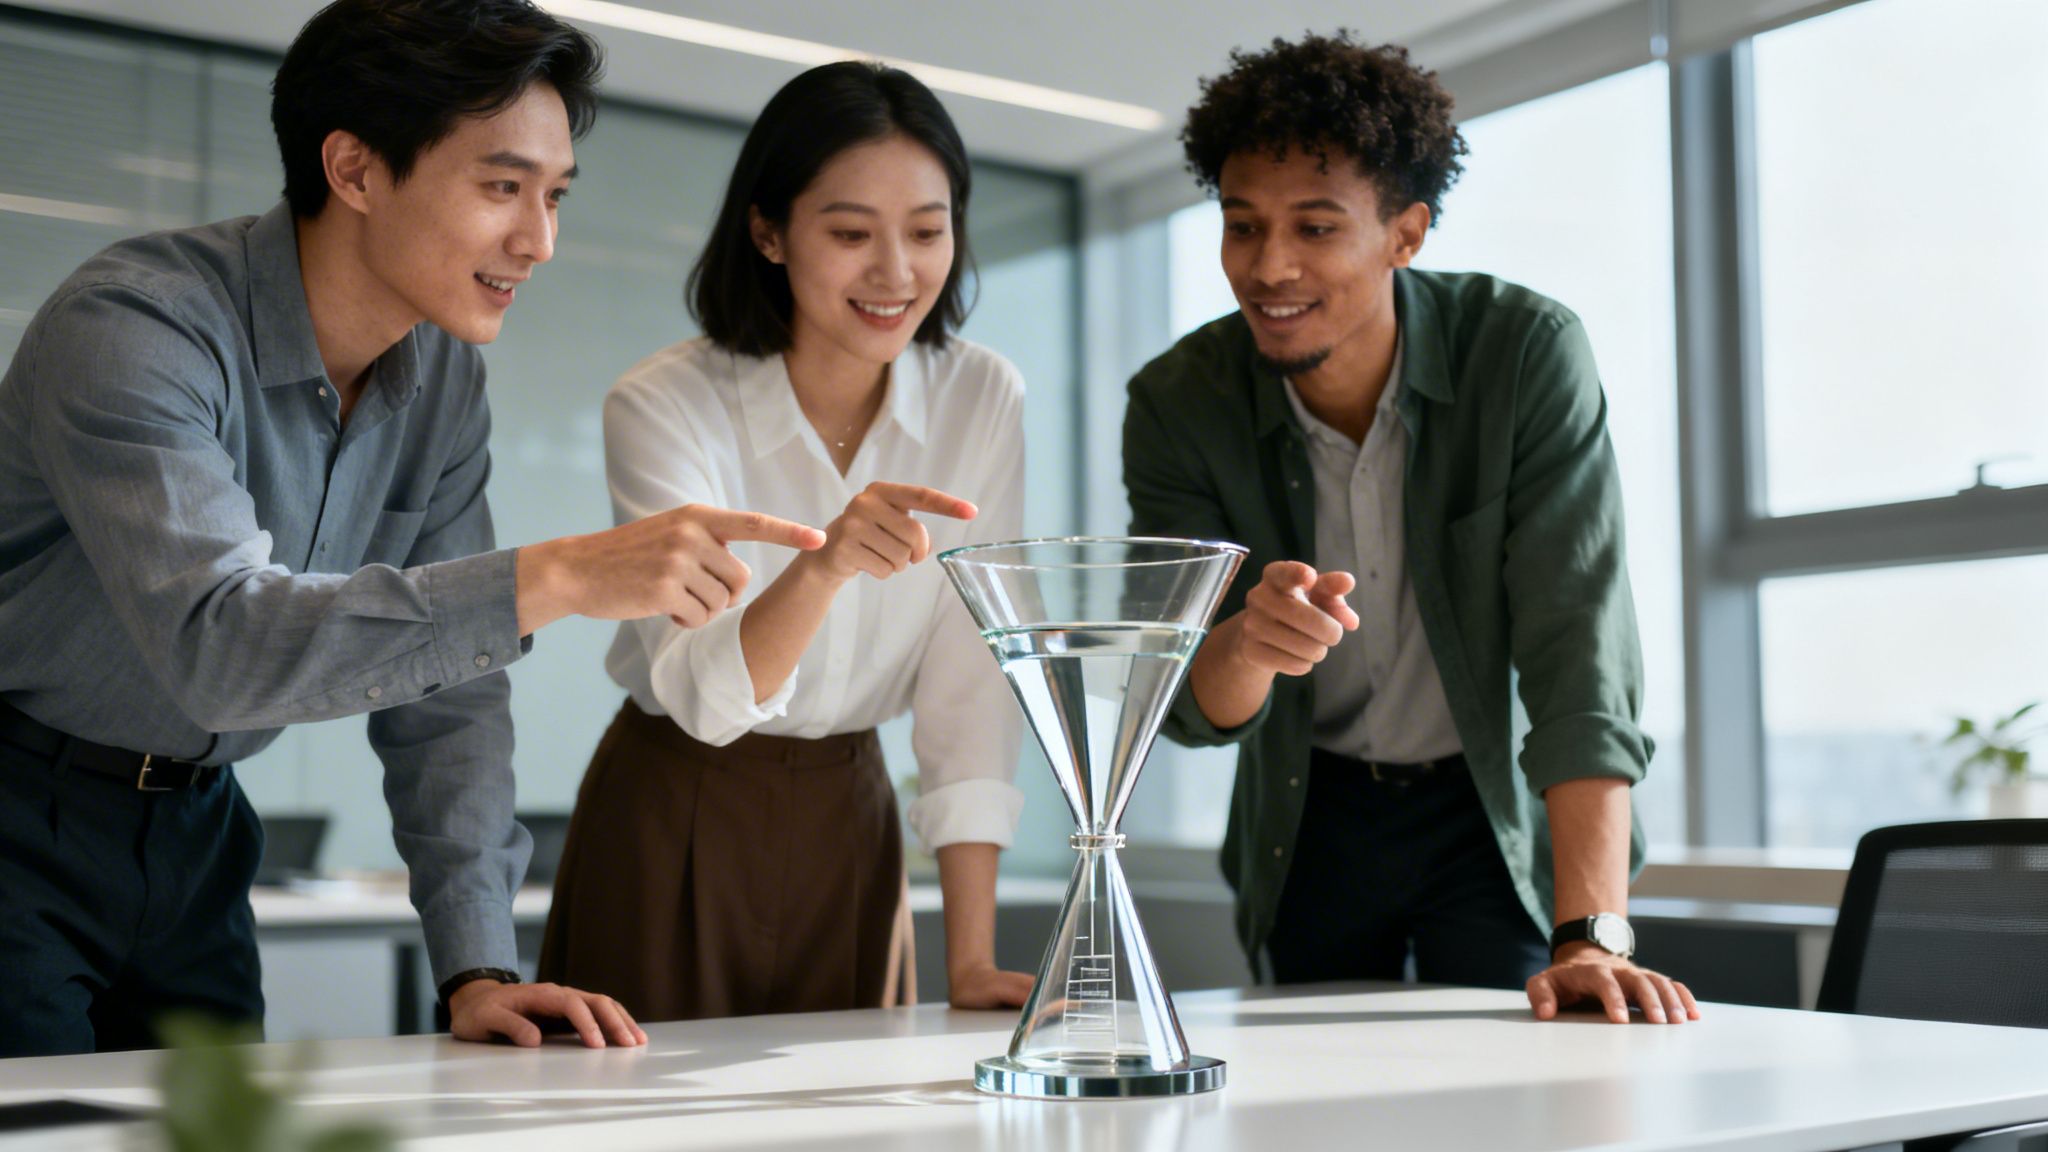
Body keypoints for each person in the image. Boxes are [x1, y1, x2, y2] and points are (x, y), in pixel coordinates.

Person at [0, 0, 825, 1058]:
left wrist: (476, 967)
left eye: (555, 195)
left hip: (200, 833)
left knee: (218, 1139)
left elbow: (450, 698)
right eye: (500, 186)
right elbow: (222, 646)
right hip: (21, 813)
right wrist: (558, 574)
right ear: (353, 170)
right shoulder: (136, 327)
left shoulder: (441, 380)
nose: (540, 240)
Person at [1123, 31, 1699, 1024]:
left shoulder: (1522, 354)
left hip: (1488, 811)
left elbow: (1578, 652)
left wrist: (1590, 934)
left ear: (1406, 233)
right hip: (1309, 817)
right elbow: (1183, 707)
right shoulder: (1178, 401)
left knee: (1523, 1085)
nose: (1267, 267)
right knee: (1307, 1099)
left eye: (1314, 227)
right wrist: (1249, 646)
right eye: (1240, 225)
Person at [538, 60, 1032, 1022]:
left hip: (852, 812)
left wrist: (971, 959)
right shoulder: (666, 403)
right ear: (768, 231)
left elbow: (974, 674)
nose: (896, 273)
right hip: (675, 802)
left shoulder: (982, 395)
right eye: (851, 233)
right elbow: (703, 693)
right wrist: (824, 569)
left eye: (928, 232)